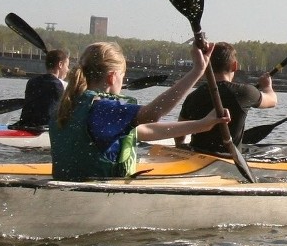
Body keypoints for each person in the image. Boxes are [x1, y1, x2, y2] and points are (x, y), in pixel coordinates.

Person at [49, 40, 231, 181]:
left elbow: (145, 131)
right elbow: (154, 114)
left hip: (68, 185)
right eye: (122, 76)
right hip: (100, 193)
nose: (123, 81)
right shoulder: (105, 108)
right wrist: (197, 71)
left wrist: (202, 125)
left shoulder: (69, 105)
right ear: (112, 77)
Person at [175, 41, 277, 154]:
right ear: (234, 66)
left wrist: (180, 148)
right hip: (229, 157)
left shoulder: (193, 96)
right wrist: (267, 86)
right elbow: (272, 101)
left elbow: (179, 135)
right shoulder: (245, 92)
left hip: (198, 152)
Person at [8, 48, 70, 132]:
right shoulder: (62, 85)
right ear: (60, 64)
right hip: (44, 129)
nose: (68, 70)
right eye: (67, 66)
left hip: (24, 125)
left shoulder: (32, 81)